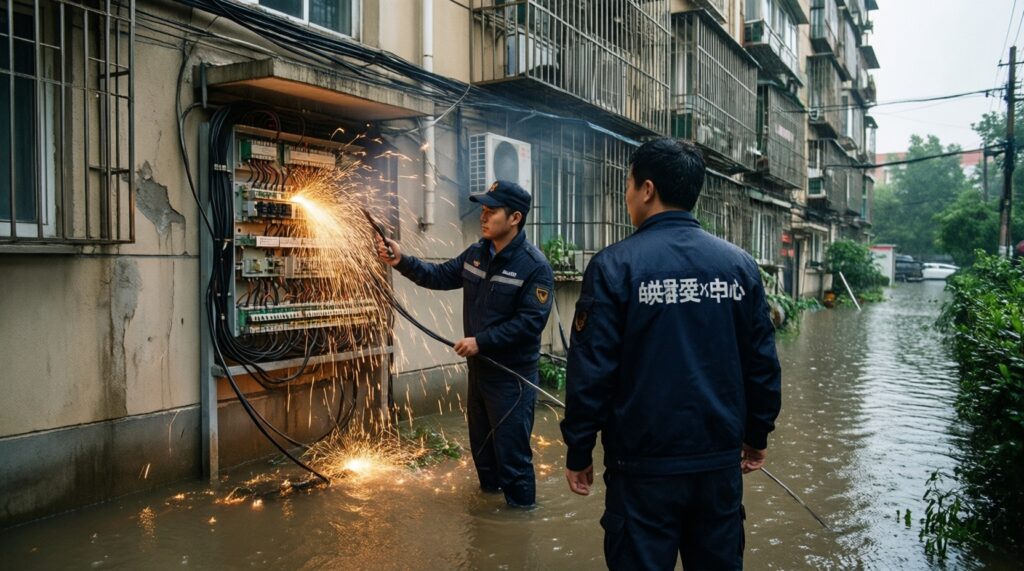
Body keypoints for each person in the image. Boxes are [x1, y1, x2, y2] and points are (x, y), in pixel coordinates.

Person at [560, 138, 782, 569]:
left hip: (641, 471)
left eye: (628, 185)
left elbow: (591, 373)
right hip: (717, 466)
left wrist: (579, 450)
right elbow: (762, 363)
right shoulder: (738, 267)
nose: (626, 196)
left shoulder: (614, 266)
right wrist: (758, 436)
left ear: (647, 189)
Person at [378, 180, 554, 508]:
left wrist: (481, 341)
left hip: (512, 380)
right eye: (482, 210)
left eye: (491, 211)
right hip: (479, 374)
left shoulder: (534, 267)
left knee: (513, 462)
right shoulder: (476, 254)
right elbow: (437, 275)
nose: (483, 217)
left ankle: (521, 522)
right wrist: (401, 260)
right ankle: (489, 517)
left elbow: (530, 323)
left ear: (515, 218)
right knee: (483, 456)